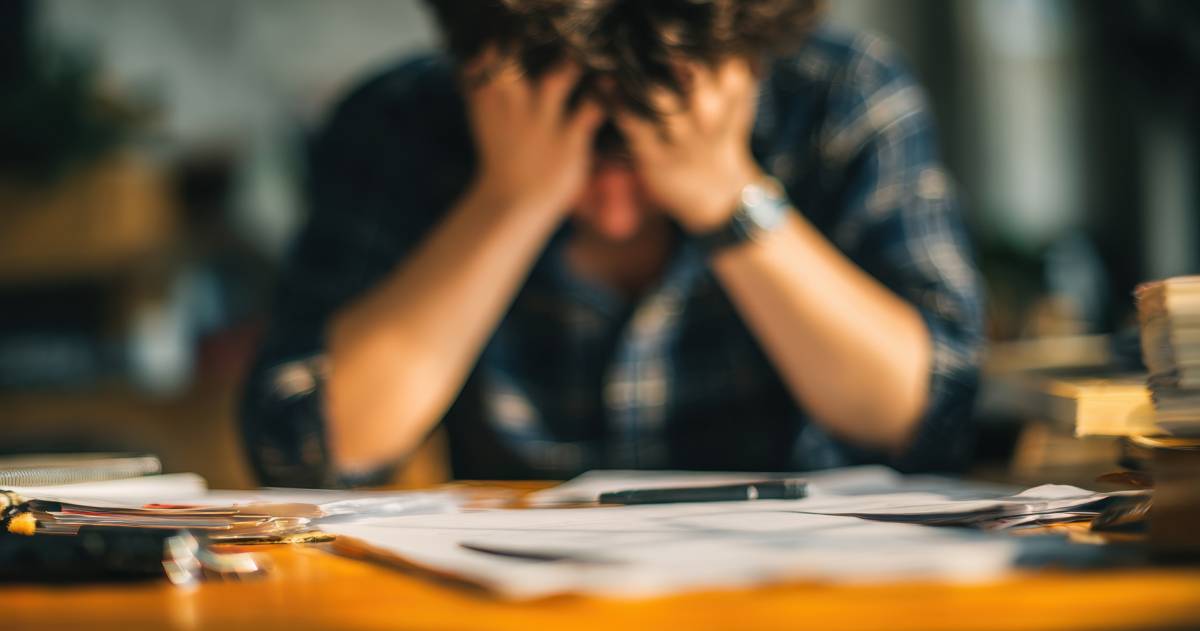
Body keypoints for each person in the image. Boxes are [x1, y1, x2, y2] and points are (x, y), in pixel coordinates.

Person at [241, 0, 984, 487]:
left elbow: (929, 418)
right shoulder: (399, 122)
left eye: (643, 147)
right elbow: (307, 448)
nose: (616, 211)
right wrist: (510, 199)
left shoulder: (843, 95)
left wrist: (726, 195)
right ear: (480, 75)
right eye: (584, 147)